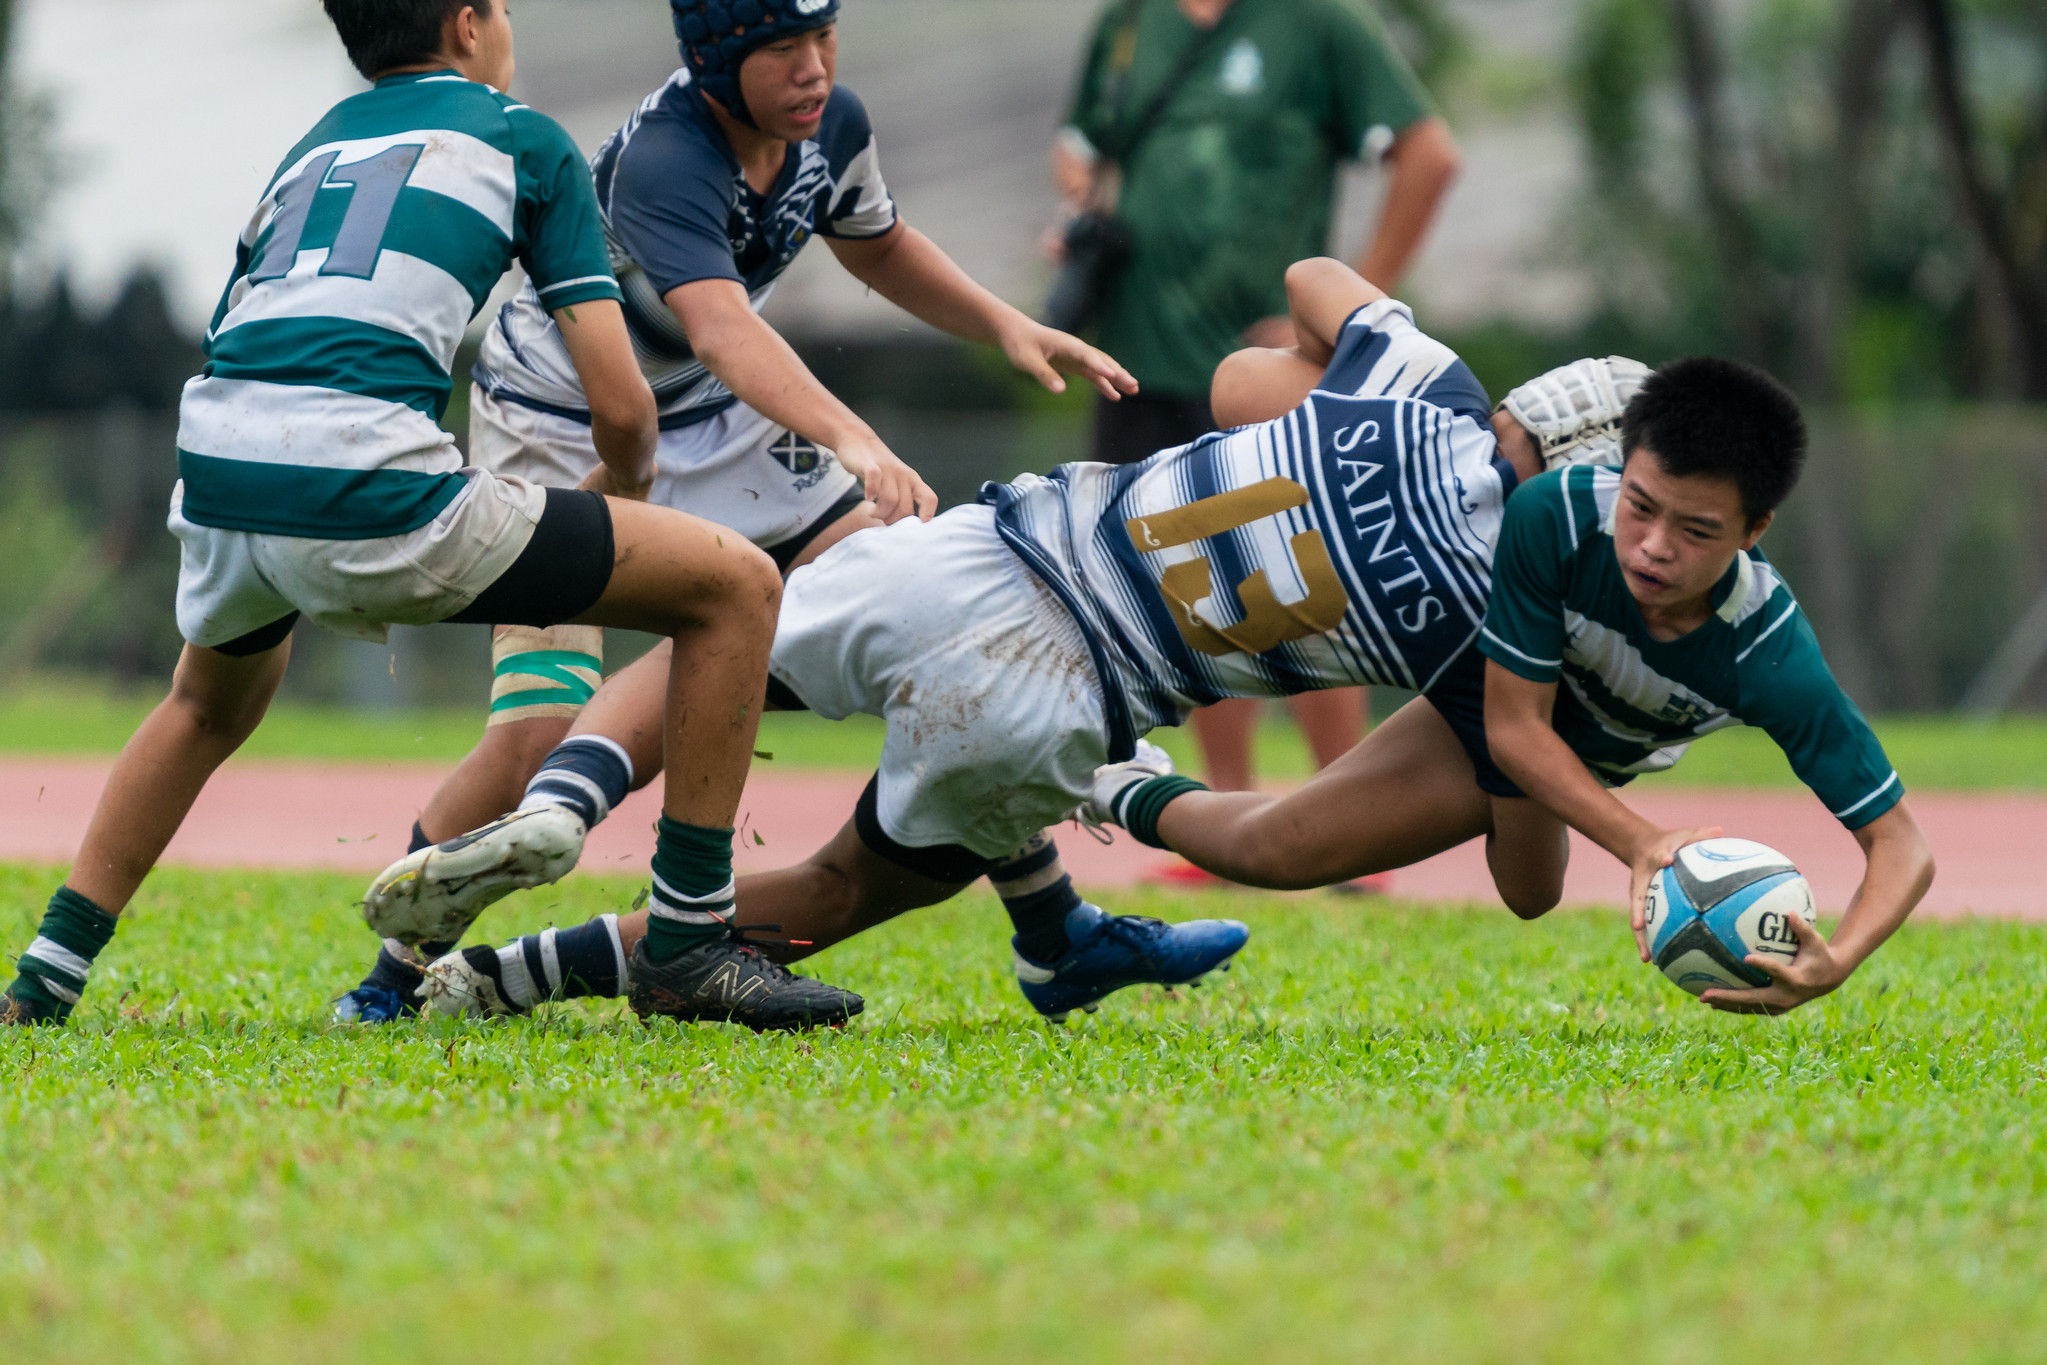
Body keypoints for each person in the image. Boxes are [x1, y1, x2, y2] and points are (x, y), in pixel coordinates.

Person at [386, 258, 1631, 1025]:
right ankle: (508, 980)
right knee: (838, 888)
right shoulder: (1503, 611)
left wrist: (1306, 381)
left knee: (719, 643)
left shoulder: (1425, 392)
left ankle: (568, 794)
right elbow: (1525, 887)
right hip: (1059, 701)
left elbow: (1307, 283)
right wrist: (1564, 749)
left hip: (981, 554)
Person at [0, 0, 862, 1033]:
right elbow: (624, 410)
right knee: (736, 585)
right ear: (467, 23)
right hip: (369, 485)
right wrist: (610, 507)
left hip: (223, 469)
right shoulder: (524, 138)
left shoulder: (314, 142)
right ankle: (687, 948)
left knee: (202, 707)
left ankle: (43, 980)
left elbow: (247, 321)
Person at [333, 0, 1136, 1023]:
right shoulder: (667, 158)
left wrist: (1007, 324)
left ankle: (1052, 923)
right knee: (535, 737)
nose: (814, 69)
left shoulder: (829, 124)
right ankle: (390, 980)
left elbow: (876, 243)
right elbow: (719, 329)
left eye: (824, 38)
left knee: (924, 595)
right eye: (783, 50)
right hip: (564, 424)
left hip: (718, 418)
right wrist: (855, 438)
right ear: (714, 58)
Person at [1088, 355, 1937, 1014]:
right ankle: (1113, 779)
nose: (1650, 545)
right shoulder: (1555, 513)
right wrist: (1642, 842)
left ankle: (1120, 781)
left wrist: (1841, 955)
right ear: (1621, 467)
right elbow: (1514, 730)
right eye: (1638, 504)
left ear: (1754, 530)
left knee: (1530, 895)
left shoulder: (1767, 654)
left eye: (1696, 530)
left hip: (1566, 742)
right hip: (1503, 699)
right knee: (1273, 851)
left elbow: (1902, 847)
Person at [1051, 0, 1464, 856]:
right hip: (1134, 353)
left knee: (1309, 575)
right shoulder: (1128, 21)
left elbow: (1429, 153)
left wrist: (1355, 320)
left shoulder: (1317, 24)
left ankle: (1350, 826)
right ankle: (1218, 819)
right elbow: (1080, 140)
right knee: (1178, 580)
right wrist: (1085, 207)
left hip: (1261, 368)